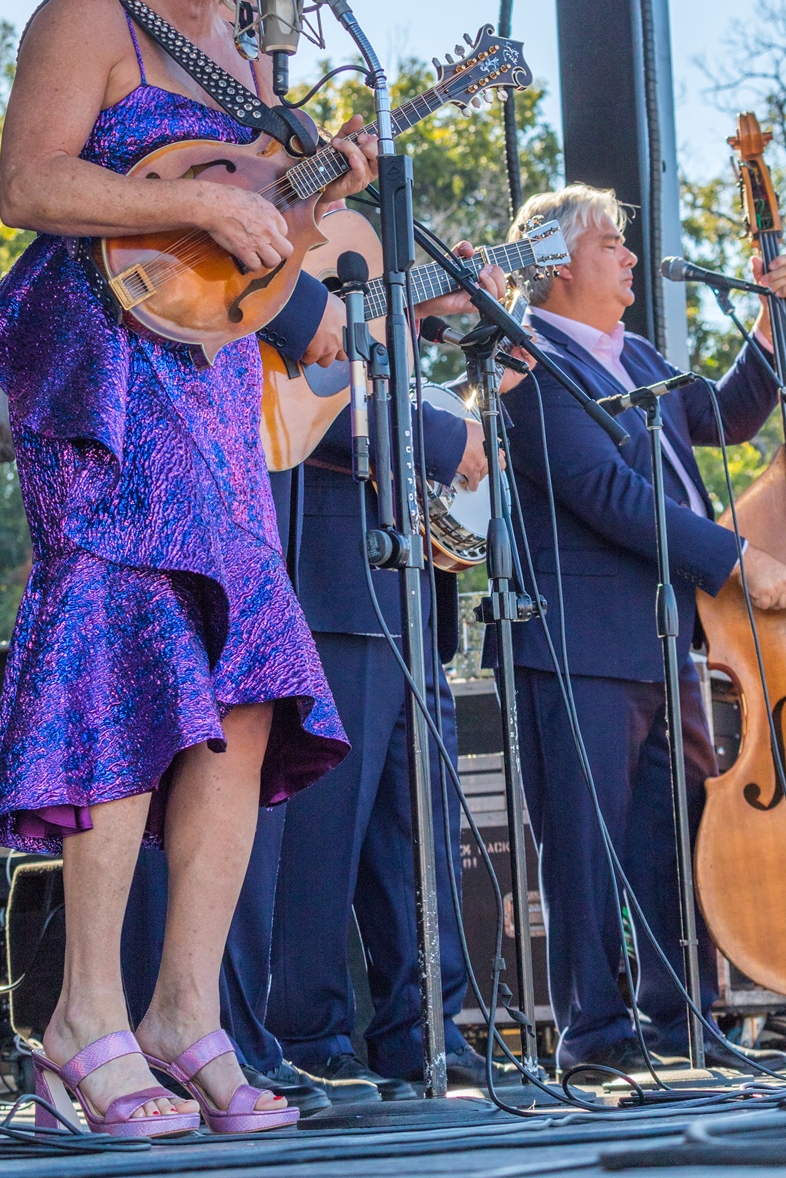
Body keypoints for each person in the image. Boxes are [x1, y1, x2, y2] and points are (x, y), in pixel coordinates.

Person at [0, 0, 378, 1137]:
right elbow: (31, 183)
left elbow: (244, 266)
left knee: (243, 691)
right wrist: (196, 192)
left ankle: (185, 1013)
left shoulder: (249, 72)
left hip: (213, 400)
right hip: (105, 387)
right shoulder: (91, 15)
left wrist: (313, 197)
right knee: (120, 664)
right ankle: (83, 1018)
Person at [121, 223, 511, 1104]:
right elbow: (290, 399)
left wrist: (431, 317)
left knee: (400, 838)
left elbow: (347, 369)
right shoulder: (261, 230)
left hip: (398, 581)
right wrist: (433, 437)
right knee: (302, 843)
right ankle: (293, 1031)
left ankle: (403, 1032)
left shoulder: (368, 243)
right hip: (318, 569)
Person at [496, 183, 786, 1074]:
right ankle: (595, 1037)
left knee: (676, 838)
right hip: (577, 642)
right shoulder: (528, 360)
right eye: (608, 244)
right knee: (584, 846)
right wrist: (736, 556)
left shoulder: (638, 355)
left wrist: (767, 327)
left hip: (668, 641)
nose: (628, 257)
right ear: (555, 264)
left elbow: (728, 416)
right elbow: (608, 493)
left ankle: (684, 1023)